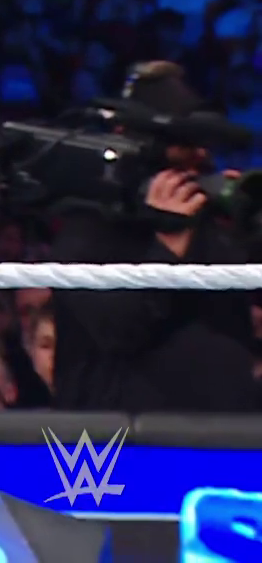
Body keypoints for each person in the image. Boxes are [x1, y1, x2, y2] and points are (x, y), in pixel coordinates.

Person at [52, 62, 254, 412]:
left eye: (202, 144)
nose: (200, 156)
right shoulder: (89, 227)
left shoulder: (210, 225)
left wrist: (248, 222)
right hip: (122, 433)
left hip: (228, 428)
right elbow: (119, 331)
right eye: (185, 144)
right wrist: (166, 248)